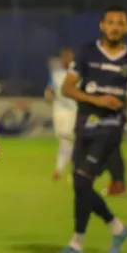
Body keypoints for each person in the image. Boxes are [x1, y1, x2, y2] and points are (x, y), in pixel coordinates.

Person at [59, 5, 127, 253]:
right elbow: (67, 88)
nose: (115, 27)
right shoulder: (87, 53)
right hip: (85, 124)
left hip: (110, 128)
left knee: (83, 180)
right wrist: (98, 100)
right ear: (102, 25)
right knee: (80, 184)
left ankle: (76, 244)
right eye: (111, 22)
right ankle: (116, 228)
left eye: (120, 23)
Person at [45, 47, 77, 181]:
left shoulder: (76, 73)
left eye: (69, 57)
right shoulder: (56, 74)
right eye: (65, 57)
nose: (67, 60)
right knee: (64, 141)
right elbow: (49, 90)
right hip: (60, 111)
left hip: (74, 110)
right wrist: (49, 98)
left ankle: (66, 170)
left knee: (73, 140)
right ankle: (63, 169)